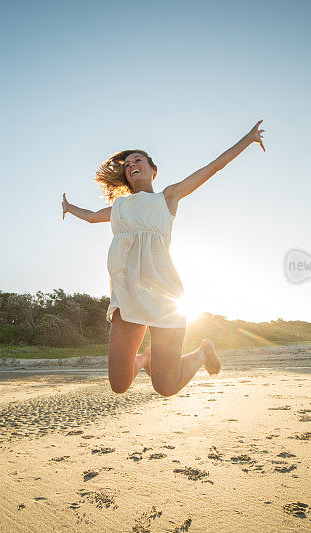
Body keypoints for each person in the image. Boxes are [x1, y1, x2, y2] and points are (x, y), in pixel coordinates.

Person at [62, 120, 265, 397]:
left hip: (164, 297)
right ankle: (146, 359)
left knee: (165, 387)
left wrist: (248, 138)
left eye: (138, 160)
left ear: (152, 169)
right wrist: (68, 206)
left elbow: (213, 167)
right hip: (127, 296)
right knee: (119, 385)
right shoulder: (120, 207)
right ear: (126, 177)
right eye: (127, 165)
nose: (131, 164)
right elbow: (89, 217)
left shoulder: (168, 197)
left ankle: (202, 352)